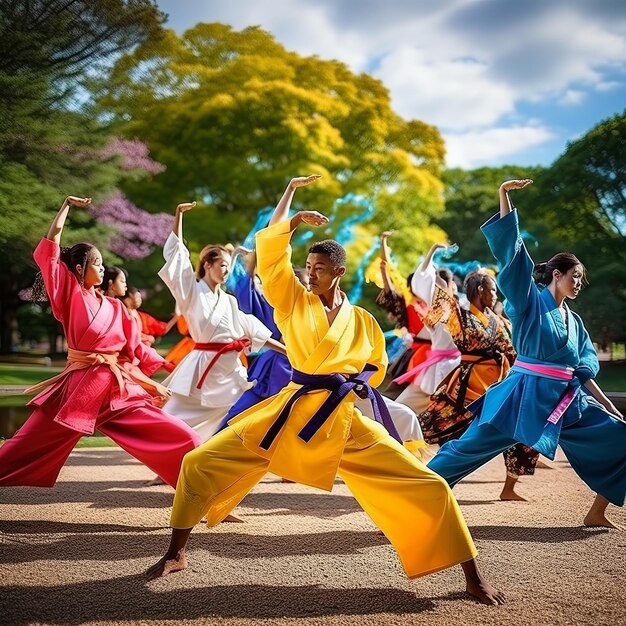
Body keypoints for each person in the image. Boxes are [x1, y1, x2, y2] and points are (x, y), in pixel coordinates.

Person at [146, 176, 504, 606]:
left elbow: (375, 367)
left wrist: (352, 385)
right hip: (287, 412)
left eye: (318, 269)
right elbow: (273, 257)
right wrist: (291, 215)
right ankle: (176, 552)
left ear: (338, 271)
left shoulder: (363, 320)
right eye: (308, 268)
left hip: (343, 419)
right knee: (200, 461)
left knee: (430, 485)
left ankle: (472, 576)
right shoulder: (293, 301)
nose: (310, 274)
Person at [428, 179, 626, 527]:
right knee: (464, 451)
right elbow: (514, 259)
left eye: (582, 279)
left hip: (566, 402)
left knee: (620, 439)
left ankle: (596, 513)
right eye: (574, 276)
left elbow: (583, 368)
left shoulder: (574, 320)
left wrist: (609, 405)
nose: (579, 283)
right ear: (556, 274)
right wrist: (503, 197)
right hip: (524, 397)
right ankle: (417, 494)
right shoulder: (529, 301)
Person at [0, 196, 200, 488]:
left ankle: (200, 493)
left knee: (185, 436)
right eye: (97, 263)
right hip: (76, 391)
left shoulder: (116, 308)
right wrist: (66, 205)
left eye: (103, 263)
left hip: (115, 390)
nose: (103, 268)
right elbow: (52, 246)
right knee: (23, 446)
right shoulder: (69, 294)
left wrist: (159, 373)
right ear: (80, 270)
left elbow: (131, 351)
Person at [157, 200, 283, 442]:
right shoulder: (191, 292)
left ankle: (225, 462)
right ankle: (164, 462)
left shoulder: (228, 301)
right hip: (201, 367)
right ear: (207, 265)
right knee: (175, 415)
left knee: (239, 412)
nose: (227, 271)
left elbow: (253, 330)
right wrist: (179, 216)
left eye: (228, 266)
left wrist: (286, 351)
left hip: (229, 370)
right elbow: (178, 260)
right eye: (222, 266)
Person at [416, 264, 539, 501]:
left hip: (500, 385)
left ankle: (509, 488)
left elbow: (515, 350)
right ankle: (424, 478)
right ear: (481, 289)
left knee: (519, 432)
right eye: (493, 290)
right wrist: (442, 291)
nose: (495, 295)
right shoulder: (459, 315)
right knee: (434, 428)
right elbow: (432, 318)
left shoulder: (500, 321)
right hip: (466, 385)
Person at [393, 243, 462, 415]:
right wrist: (432, 250)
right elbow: (423, 277)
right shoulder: (437, 310)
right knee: (401, 407)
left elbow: (424, 278)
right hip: (436, 368)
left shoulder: (465, 308)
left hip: (459, 369)